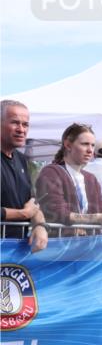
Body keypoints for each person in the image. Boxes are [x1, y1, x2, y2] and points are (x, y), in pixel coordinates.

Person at [35, 123, 102, 232]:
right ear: (68, 145)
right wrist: (98, 217)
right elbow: (56, 212)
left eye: (92, 145)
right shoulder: (51, 173)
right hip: (60, 244)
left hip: (88, 244)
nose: (90, 150)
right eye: (85, 144)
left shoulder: (91, 179)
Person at [0, 100, 47, 251]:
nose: (21, 129)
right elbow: (26, 210)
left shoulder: (21, 160)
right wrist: (22, 214)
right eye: (15, 123)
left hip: (12, 254)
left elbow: (32, 203)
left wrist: (40, 225)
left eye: (25, 124)